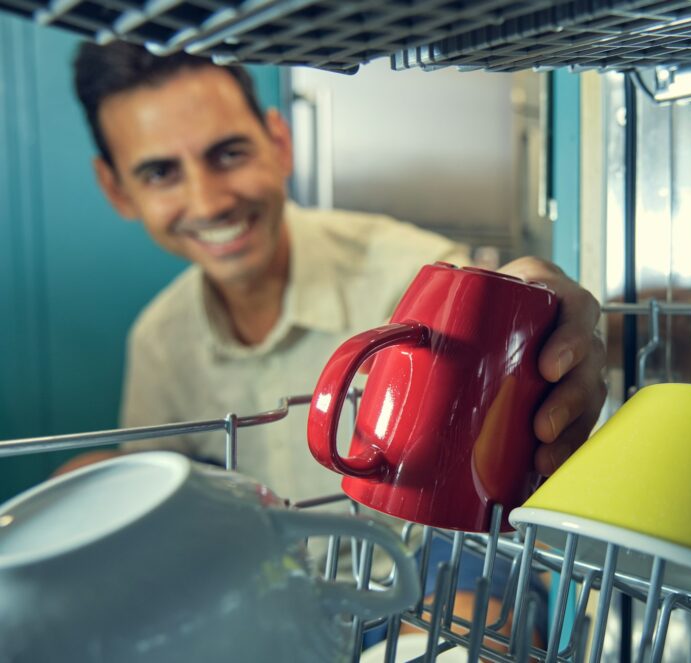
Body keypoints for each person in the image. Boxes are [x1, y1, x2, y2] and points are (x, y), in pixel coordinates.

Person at [62, 42, 607, 505]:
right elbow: (163, 523)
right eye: (160, 172)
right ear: (116, 189)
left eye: (228, 154)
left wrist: (546, 316)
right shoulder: (158, 342)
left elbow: (506, 300)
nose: (208, 203)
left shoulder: (406, 278)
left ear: (279, 145)